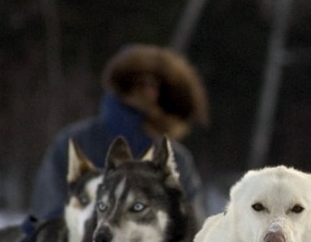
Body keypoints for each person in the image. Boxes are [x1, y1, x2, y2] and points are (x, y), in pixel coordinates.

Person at [31, 44, 209, 223]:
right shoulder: (76, 145)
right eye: (142, 83)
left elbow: (193, 228)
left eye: (157, 86)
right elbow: (47, 215)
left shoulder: (175, 158)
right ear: (124, 86)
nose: (149, 92)